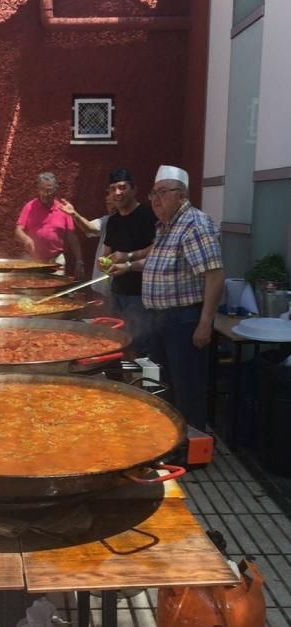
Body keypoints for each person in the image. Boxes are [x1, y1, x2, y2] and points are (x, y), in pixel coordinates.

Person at [139, 165, 225, 430]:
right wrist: (128, 264)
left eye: (163, 192)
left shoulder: (194, 224)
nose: (155, 198)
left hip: (184, 320)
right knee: (161, 381)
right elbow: (161, 265)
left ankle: (190, 447)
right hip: (160, 320)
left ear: (182, 196)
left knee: (187, 387)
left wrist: (204, 323)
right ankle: (166, 438)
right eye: (153, 193)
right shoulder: (166, 226)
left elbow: (215, 275)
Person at [101, 168, 157, 355]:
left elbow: (158, 248)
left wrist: (129, 256)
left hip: (140, 295)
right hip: (116, 291)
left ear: (134, 189)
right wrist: (104, 262)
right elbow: (107, 252)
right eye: (112, 189)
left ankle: (137, 382)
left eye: (122, 187)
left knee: (138, 344)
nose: (117, 193)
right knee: (115, 343)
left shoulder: (148, 215)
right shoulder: (113, 221)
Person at [15, 172, 85, 278]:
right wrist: (25, 239)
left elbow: (72, 237)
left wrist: (79, 260)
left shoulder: (63, 209)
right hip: (32, 259)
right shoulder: (29, 207)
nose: (45, 194)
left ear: (55, 190)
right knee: (29, 290)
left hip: (56, 260)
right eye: (42, 190)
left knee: (54, 292)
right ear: (38, 189)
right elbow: (18, 230)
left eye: (49, 190)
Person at [59, 186, 116, 301]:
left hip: (122, 289)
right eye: (108, 204)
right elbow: (89, 229)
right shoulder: (107, 221)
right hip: (102, 288)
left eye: (113, 202)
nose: (110, 207)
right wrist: (74, 214)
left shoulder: (134, 220)